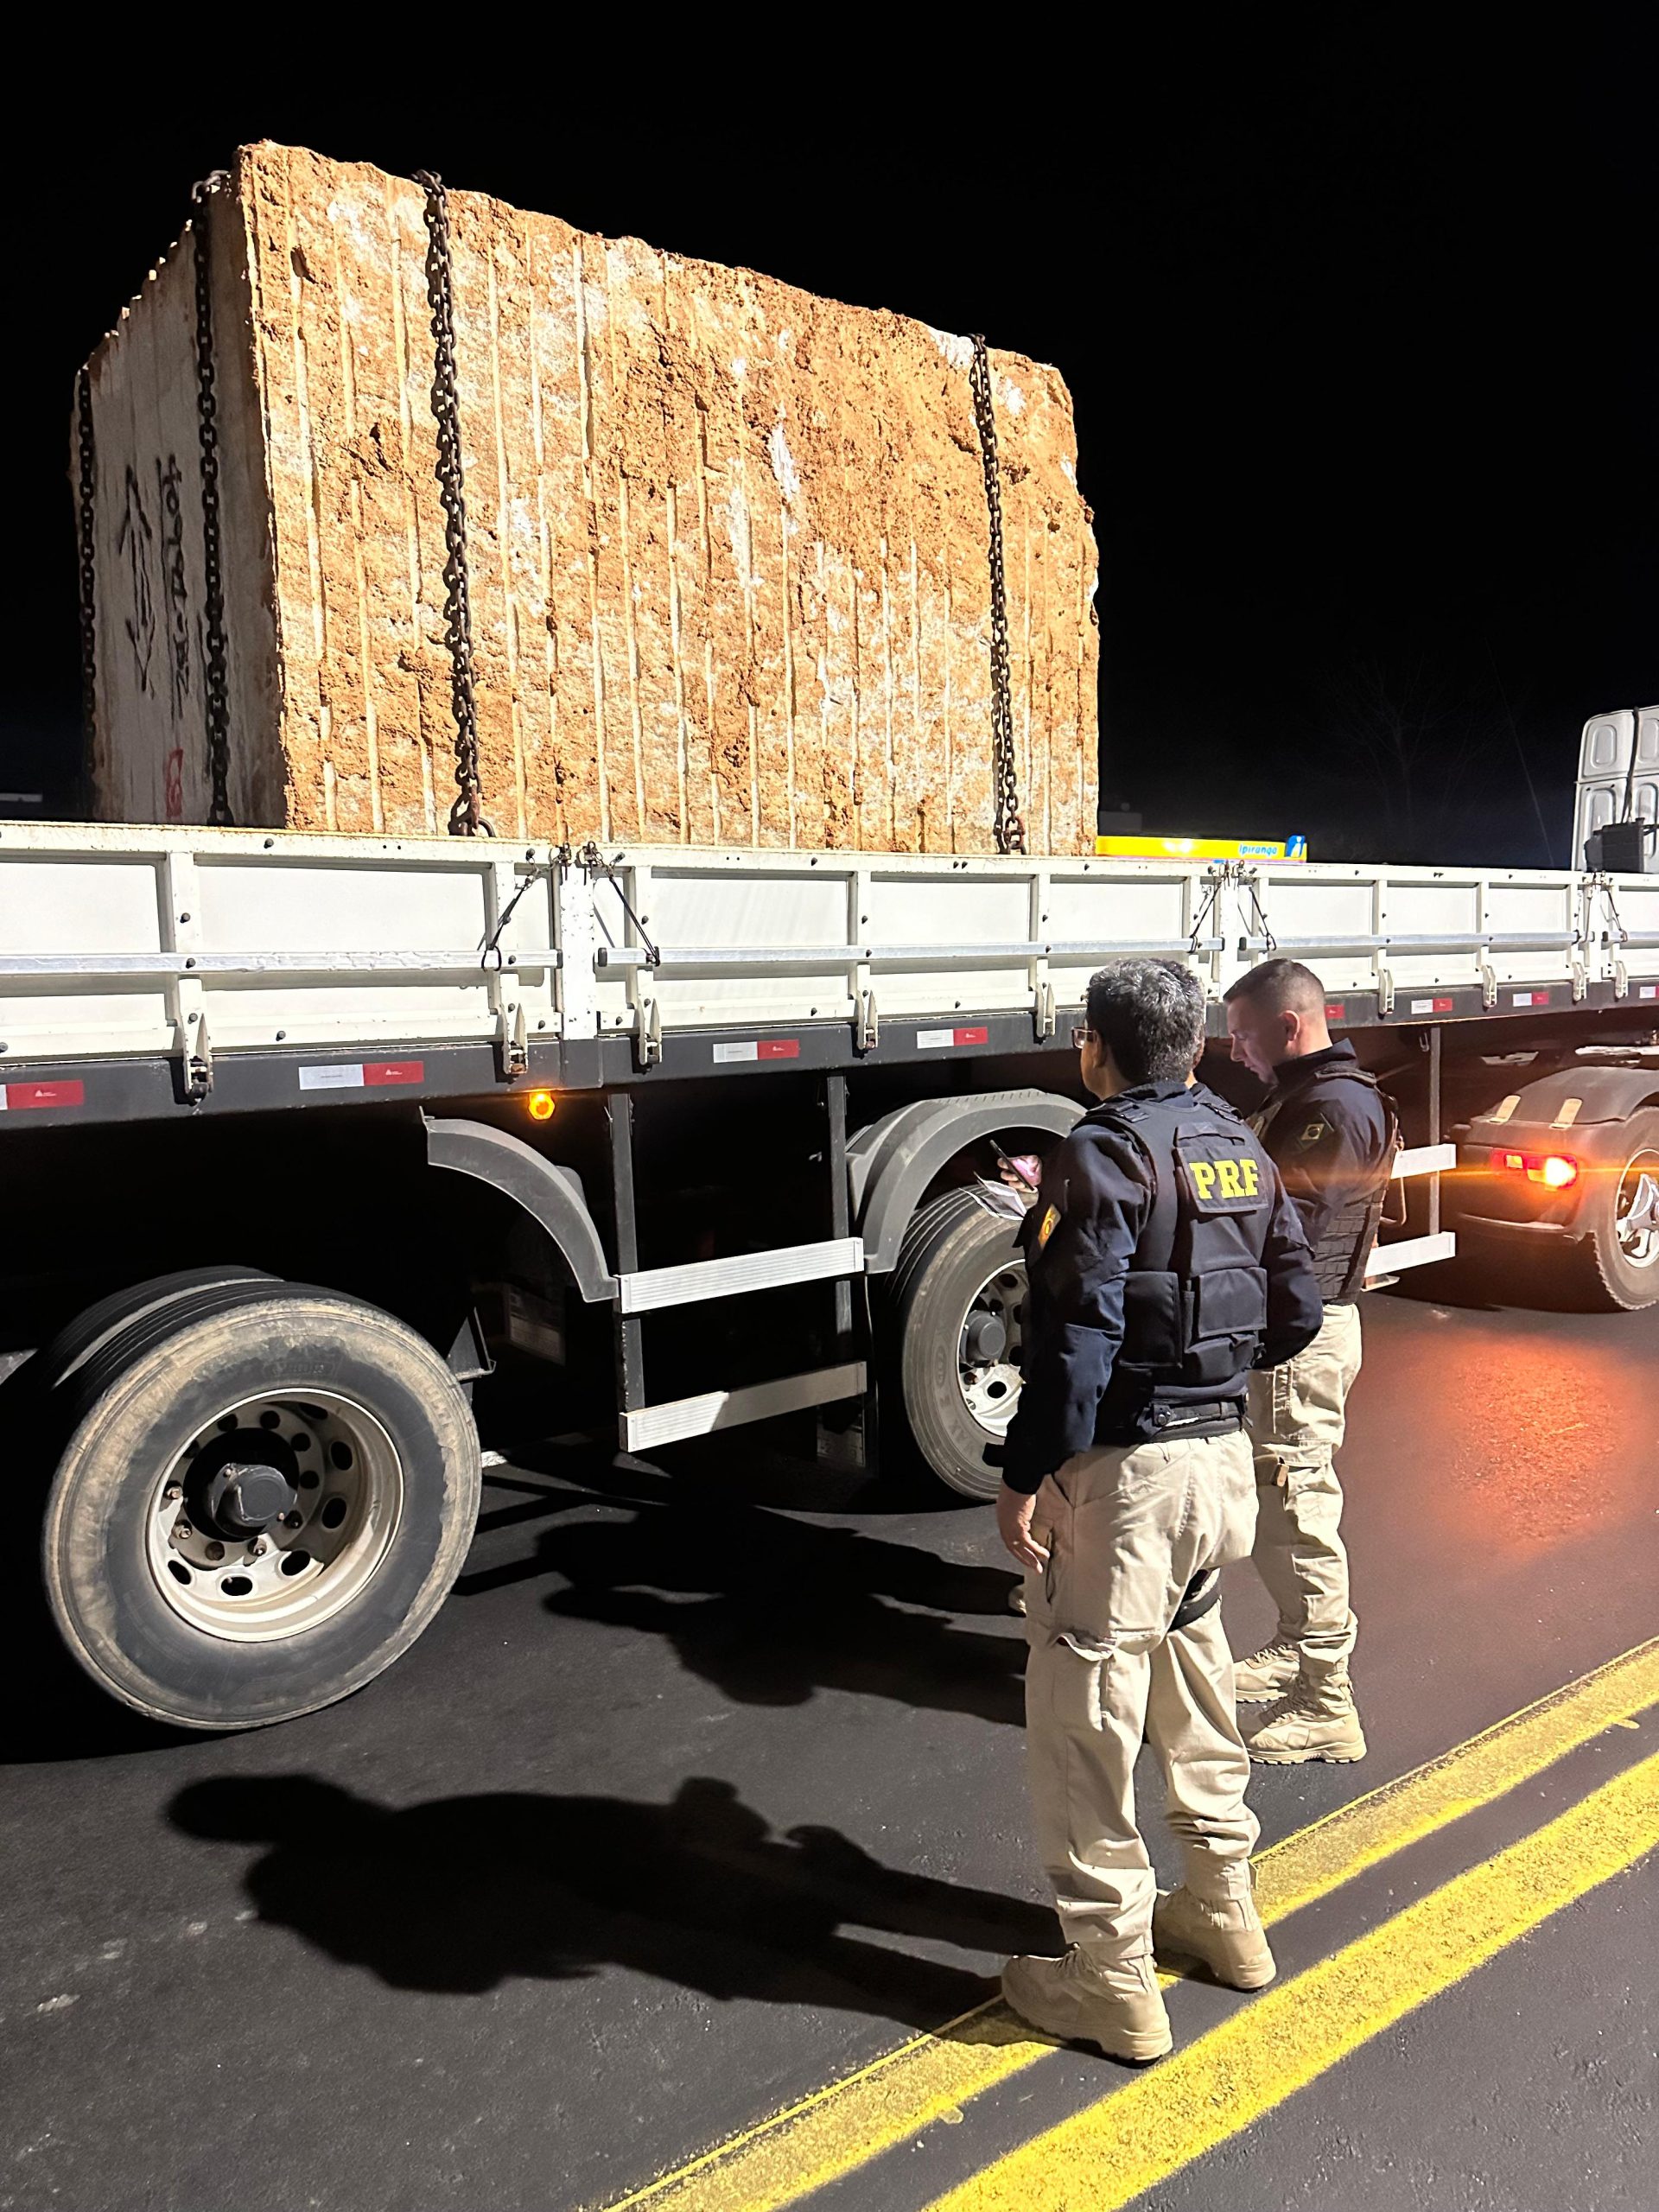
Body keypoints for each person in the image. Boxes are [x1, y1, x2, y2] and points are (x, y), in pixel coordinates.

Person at [994, 959, 1323, 2063]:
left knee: (1086, 1711)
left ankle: (1112, 1977)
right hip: (1218, 1461)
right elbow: (1296, 1309)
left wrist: (1026, 1475)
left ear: (1097, 1045)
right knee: (1193, 1673)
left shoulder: (1101, 1151)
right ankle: (1226, 1915)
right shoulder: (1237, 1141)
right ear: (1193, 1048)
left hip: (1128, 1477)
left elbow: (1077, 1340)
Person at [1222, 958, 1397, 1766]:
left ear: (1289, 1026)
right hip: (1288, 1334)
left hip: (1304, 1337)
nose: (1235, 1051)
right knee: (1275, 1509)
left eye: (1243, 1035)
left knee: (1299, 1514)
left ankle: (1328, 1703)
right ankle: (1297, 1645)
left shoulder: (1334, 1107)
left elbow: (1286, 1223)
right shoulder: (1304, 1096)